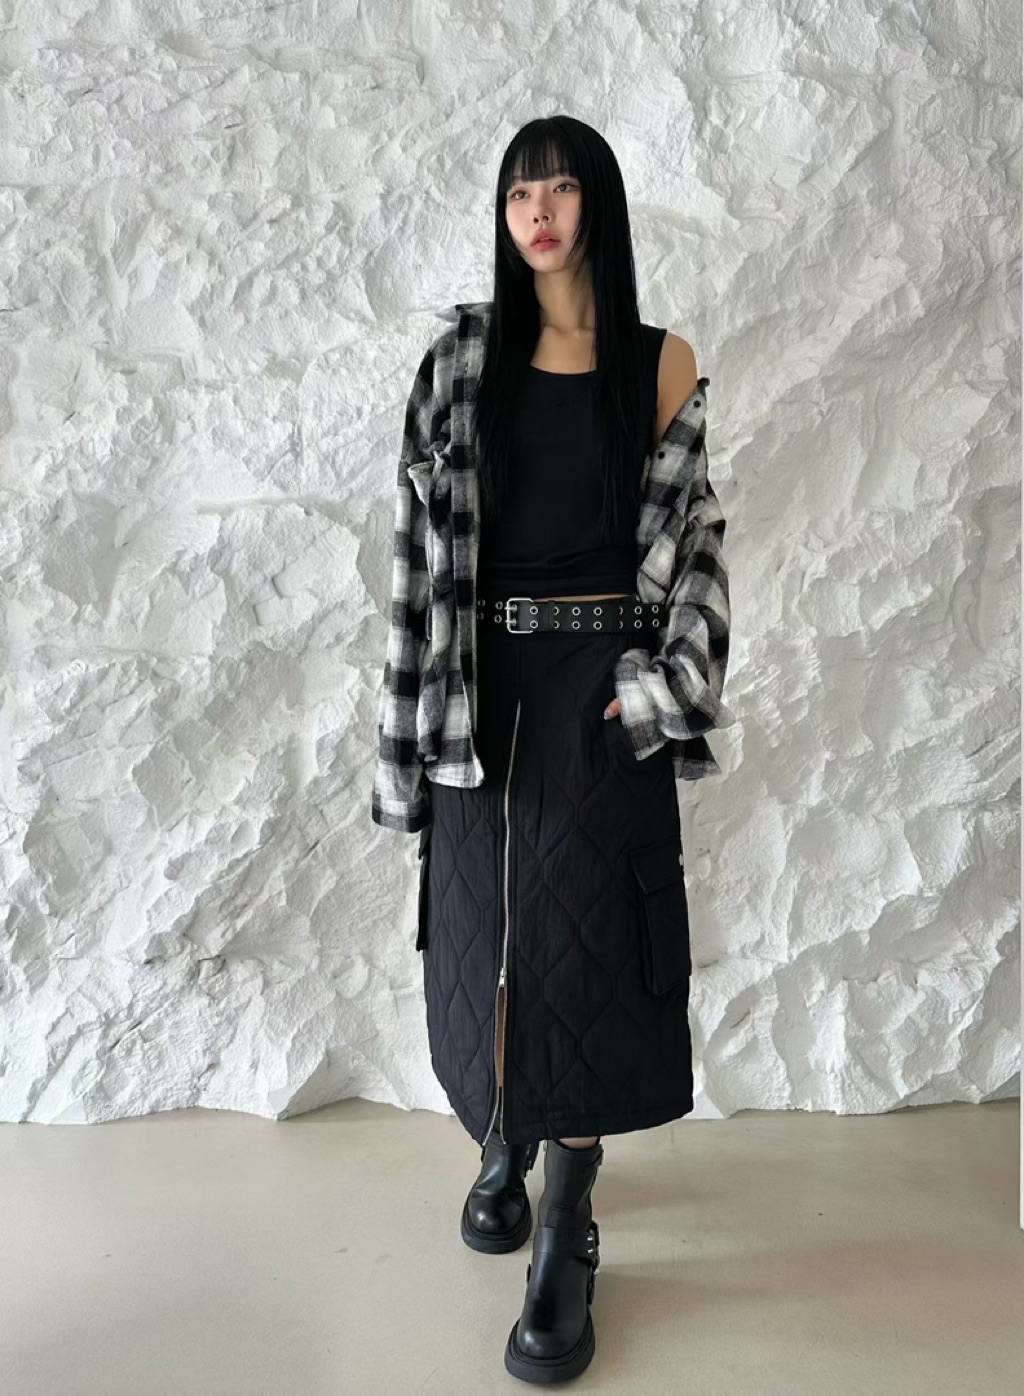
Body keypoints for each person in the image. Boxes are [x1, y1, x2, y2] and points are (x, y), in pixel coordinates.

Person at [373, 114, 735, 1384]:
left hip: (600, 685)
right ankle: (504, 1135)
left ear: (599, 205)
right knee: (484, 931)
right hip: (481, 684)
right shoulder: (460, 362)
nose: (538, 211)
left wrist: (656, 689)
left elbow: (695, 543)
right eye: (519, 192)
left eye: (561, 187)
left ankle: (568, 1220)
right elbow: (416, 556)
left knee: (586, 940)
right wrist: (409, 727)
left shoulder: (659, 360)